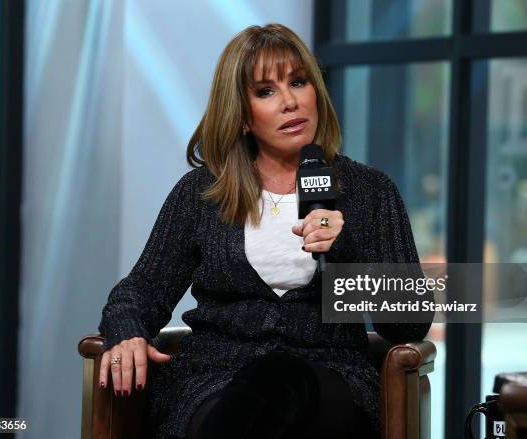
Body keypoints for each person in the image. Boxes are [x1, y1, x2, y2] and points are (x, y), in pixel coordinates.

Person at [98, 23, 432, 439]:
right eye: (266, 91)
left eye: (298, 82)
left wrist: (347, 250)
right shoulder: (202, 193)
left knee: (283, 377)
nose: (291, 102)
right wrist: (126, 331)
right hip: (214, 379)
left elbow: (411, 324)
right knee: (261, 398)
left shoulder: (371, 192)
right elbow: (141, 290)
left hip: (332, 381)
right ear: (241, 116)